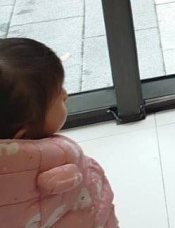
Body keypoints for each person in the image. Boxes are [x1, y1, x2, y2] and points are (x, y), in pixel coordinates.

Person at [0, 38, 117, 227]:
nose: (65, 94)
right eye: (57, 96)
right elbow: (93, 204)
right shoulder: (61, 160)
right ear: (22, 135)